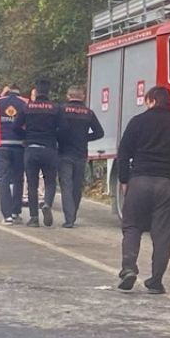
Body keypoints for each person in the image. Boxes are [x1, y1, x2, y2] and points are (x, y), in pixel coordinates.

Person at [116, 85, 170, 294]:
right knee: (162, 233)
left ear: (151, 100)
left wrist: (125, 180)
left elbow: (123, 152)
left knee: (132, 226)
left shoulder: (138, 122)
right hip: (167, 185)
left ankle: (128, 267)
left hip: (140, 180)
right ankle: (155, 280)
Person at [56, 86, 104, 228]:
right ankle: (73, 215)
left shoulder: (62, 110)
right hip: (81, 153)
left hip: (64, 152)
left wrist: (59, 140)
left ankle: (69, 218)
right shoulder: (88, 113)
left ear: (68, 96)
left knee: (66, 186)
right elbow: (99, 132)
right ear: (82, 97)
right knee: (77, 186)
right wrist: (84, 138)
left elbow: (55, 129)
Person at [20, 79, 61, 227]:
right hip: (49, 149)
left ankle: (34, 218)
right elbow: (64, 128)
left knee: (32, 184)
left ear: (36, 92)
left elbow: (15, 126)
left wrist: (25, 137)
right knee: (50, 181)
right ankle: (47, 204)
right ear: (48, 92)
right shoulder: (55, 108)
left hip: (31, 149)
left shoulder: (27, 108)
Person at [0, 84, 28, 224]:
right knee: (18, 179)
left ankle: (6, 215)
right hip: (19, 145)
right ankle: (15, 212)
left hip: (2, 144)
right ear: (19, 92)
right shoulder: (25, 102)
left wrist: (3, 94)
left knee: (4, 180)